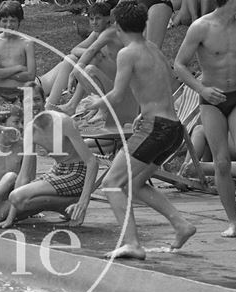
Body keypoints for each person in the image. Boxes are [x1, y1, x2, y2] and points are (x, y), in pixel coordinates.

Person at [84, 0, 196, 259]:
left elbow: (118, 93)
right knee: (133, 183)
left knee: (112, 184)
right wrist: (144, 114)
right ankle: (181, 224)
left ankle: (132, 243)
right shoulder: (153, 48)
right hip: (172, 127)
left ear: (118, 27)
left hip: (154, 128)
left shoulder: (127, 52)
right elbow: (162, 85)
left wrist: (96, 102)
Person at [174, 0, 236, 237]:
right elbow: (179, 65)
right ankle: (232, 220)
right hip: (212, 100)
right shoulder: (201, 27)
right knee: (222, 162)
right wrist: (201, 90)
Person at [40, 1, 113, 110]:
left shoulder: (109, 32)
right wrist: (88, 54)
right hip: (98, 75)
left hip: (112, 80)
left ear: (108, 18)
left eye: (98, 19)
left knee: (90, 60)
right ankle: (51, 104)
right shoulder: (96, 33)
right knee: (71, 58)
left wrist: (88, 57)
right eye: (91, 19)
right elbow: (75, 49)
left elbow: (92, 51)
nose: (94, 22)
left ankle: (72, 105)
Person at [0, 1, 35, 105]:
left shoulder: (27, 43)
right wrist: (19, 68)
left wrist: (2, 71)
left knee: (19, 118)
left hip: (22, 92)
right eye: (4, 21)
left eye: (13, 21)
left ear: (19, 21)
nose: (8, 25)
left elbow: (31, 76)